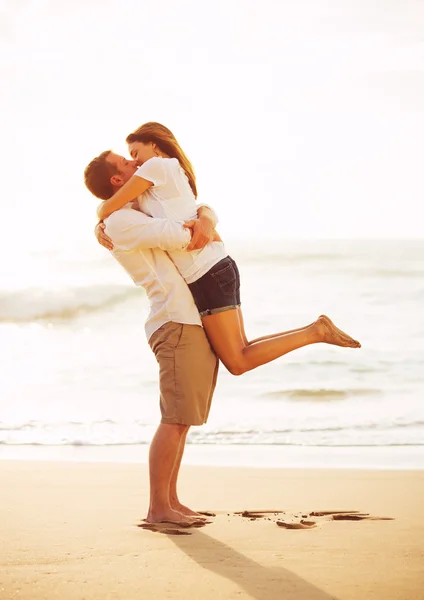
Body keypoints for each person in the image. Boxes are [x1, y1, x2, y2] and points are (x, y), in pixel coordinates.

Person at [91, 122, 361, 377]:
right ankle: (315, 331)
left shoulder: (158, 167)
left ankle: (315, 333)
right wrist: (100, 226)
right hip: (212, 268)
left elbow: (108, 207)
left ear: (156, 146)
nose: (135, 162)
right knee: (242, 348)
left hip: (207, 272)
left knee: (237, 362)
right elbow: (124, 212)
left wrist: (100, 216)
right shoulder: (153, 184)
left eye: (135, 154)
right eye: (128, 159)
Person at [85, 153, 219, 527]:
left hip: (184, 319)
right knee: (174, 419)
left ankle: (171, 501)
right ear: (116, 180)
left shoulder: (126, 211)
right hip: (173, 322)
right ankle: (158, 508)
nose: (135, 164)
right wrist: (203, 223)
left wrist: (206, 213)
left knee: (183, 420)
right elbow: (184, 237)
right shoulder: (122, 220)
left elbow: (191, 219)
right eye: (126, 164)